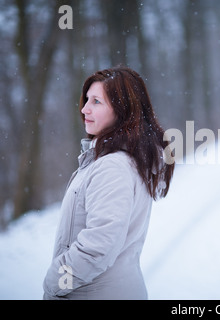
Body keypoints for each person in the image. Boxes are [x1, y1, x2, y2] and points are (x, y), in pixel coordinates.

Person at [43, 66, 174, 300]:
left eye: (96, 102)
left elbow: (98, 247)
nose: (84, 109)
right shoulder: (124, 160)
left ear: (123, 110)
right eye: (86, 100)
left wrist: (54, 283)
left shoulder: (112, 167)